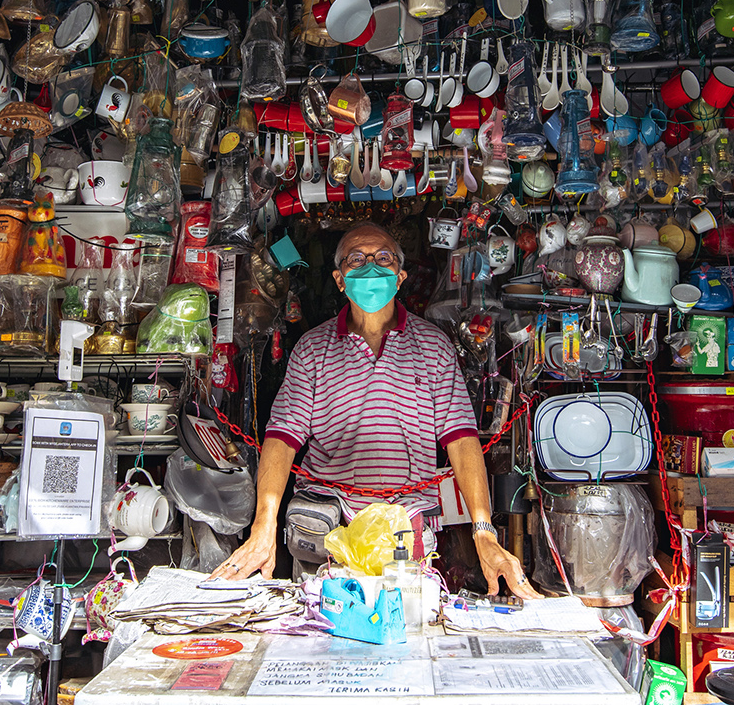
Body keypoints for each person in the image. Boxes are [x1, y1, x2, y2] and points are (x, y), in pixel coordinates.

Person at [212, 220, 537, 598]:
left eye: (383, 258)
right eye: (357, 259)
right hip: (328, 528)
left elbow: (461, 440)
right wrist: (263, 527)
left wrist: (484, 533)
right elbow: (282, 437)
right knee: (320, 632)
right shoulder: (312, 349)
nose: (371, 267)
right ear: (339, 279)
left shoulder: (434, 347)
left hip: (406, 528)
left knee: (408, 631)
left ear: (399, 278)